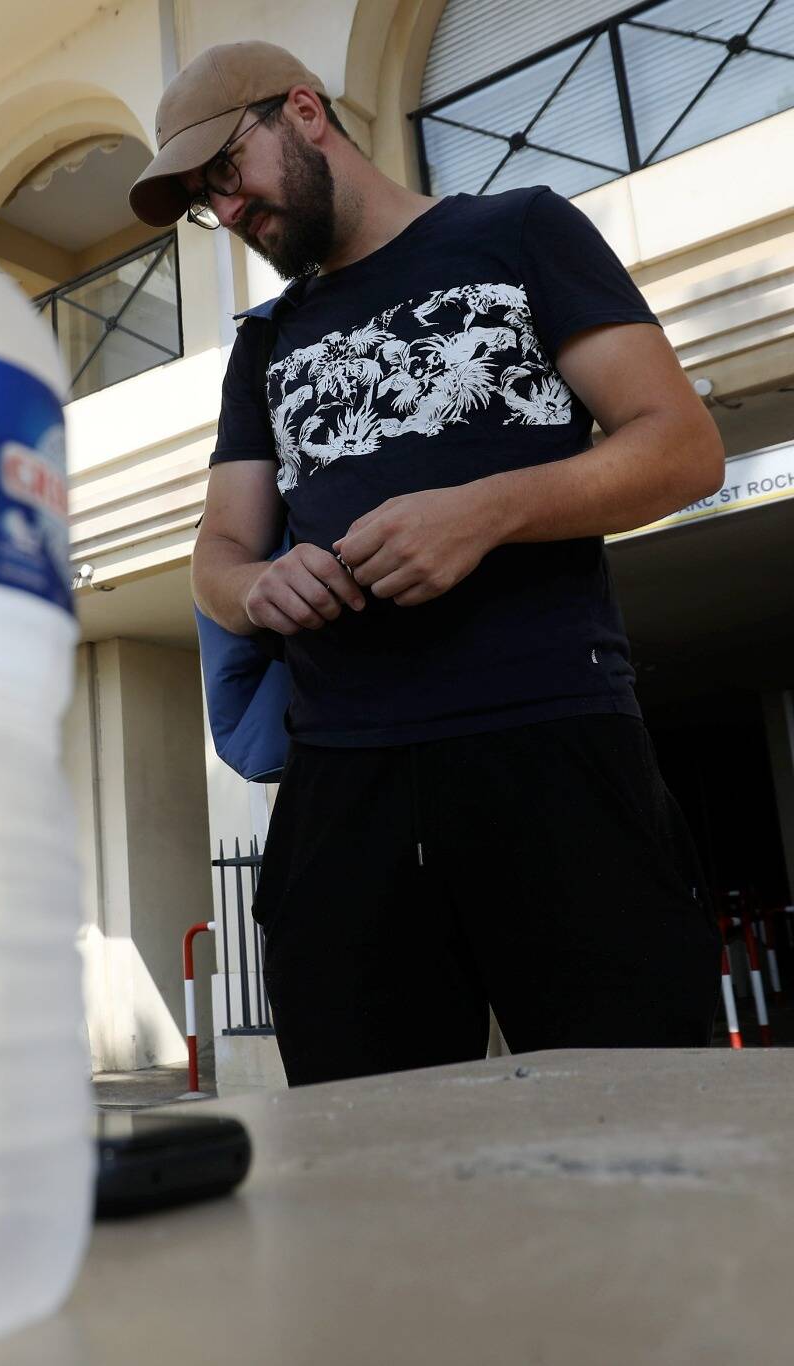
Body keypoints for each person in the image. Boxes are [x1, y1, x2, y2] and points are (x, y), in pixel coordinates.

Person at [129, 42, 727, 1085]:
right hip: (339, 786)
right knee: (359, 1159)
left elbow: (678, 447)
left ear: (303, 112)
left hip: (552, 744)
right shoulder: (264, 344)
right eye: (198, 201)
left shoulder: (520, 231)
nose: (224, 212)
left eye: (224, 172)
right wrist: (256, 588)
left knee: (639, 1126)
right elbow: (215, 552)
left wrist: (486, 510)